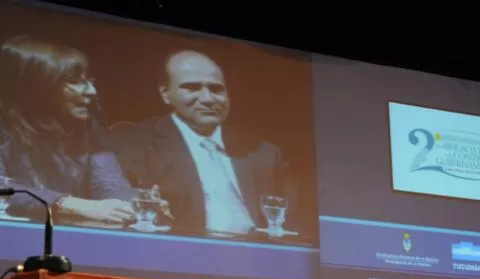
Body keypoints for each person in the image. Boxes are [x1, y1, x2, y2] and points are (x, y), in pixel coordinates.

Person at [111, 49, 297, 238]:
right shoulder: (135, 145)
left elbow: (296, 220)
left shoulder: (265, 153)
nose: (208, 99)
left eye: (216, 90)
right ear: (166, 93)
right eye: (192, 88)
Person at [0, 35, 137, 225]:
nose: (91, 91)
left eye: (88, 80)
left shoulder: (87, 126)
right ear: (36, 86)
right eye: (74, 81)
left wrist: (130, 205)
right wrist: (69, 204)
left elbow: (111, 184)